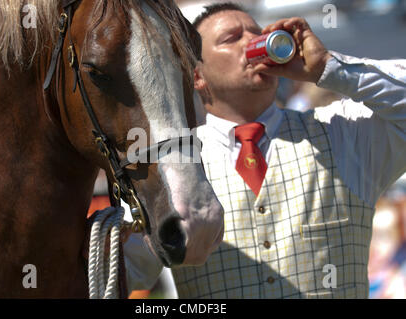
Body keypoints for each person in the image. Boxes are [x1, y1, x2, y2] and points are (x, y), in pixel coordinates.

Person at [122, 2, 406, 298]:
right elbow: (127, 270)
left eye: (256, 34)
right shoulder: (174, 165)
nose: (251, 42)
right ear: (197, 76)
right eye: (231, 38)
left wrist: (327, 67)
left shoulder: (343, 133)